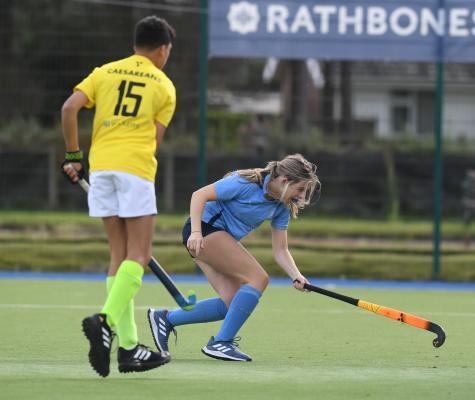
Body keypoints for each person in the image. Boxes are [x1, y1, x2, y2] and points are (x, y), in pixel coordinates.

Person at [60, 15, 176, 377]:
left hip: (101, 168)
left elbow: (69, 109)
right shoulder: (164, 85)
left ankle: (128, 349)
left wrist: (74, 155)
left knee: (119, 256)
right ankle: (105, 320)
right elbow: (153, 143)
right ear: (162, 49)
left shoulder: (104, 72)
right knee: (138, 257)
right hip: (136, 170)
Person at [147, 154, 320, 362]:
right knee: (258, 278)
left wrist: (297, 276)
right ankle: (222, 342)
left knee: (233, 303)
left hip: (215, 237)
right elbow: (198, 195)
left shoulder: (280, 206)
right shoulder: (244, 183)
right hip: (203, 231)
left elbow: (281, 250)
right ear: (284, 181)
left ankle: (166, 319)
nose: (301, 196)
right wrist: (195, 233)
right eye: (300, 189)